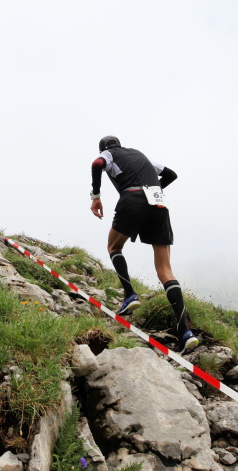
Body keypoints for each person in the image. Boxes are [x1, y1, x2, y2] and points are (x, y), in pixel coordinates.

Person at [89, 135, 199, 353]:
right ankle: (185, 332)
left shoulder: (109, 154)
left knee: (114, 247)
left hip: (132, 198)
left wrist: (96, 196)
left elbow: (97, 164)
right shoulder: (141, 156)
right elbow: (171, 174)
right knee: (165, 270)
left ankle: (130, 295)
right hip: (158, 202)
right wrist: (153, 190)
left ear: (102, 148)